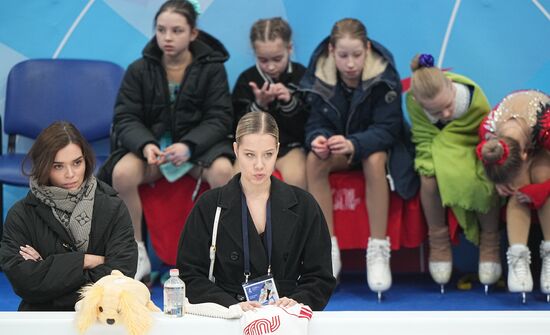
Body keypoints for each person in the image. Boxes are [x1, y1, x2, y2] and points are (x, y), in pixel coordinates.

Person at [98, 0, 234, 282]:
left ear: (193, 34)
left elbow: (220, 118)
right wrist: (145, 144)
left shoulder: (212, 69)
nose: (168, 38)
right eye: (161, 30)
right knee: (121, 173)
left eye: (176, 30)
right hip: (153, 154)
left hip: (197, 151)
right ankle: (135, 253)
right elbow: (125, 117)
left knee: (224, 172)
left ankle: (218, 254)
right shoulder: (139, 69)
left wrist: (189, 146)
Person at [300, 18, 418, 297]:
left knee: (375, 159)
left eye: (356, 55)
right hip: (338, 150)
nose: (350, 63)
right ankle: (325, 249)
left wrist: (353, 143)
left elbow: (388, 130)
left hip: (375, 149)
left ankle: (378, 249)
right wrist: (317, 138)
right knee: (314, 159)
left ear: (367, 48)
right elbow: (314, 122)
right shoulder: (319, 76)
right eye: (343, 56)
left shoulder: (385, 76)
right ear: (331, 51)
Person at [177, 111, 335, 311]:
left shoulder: (305, 205)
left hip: (284, 318)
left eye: (268, 154)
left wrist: (297, 301)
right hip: (228, 320)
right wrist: (230, 306)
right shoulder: (209, 205)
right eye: (249, 154)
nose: (259, 165)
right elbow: (189, 275)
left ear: (277, 150)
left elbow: (320, 277)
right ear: (236, 150)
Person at [0, 121, 137, 311]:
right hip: (43, 320)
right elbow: (25, 282)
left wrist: (47, 271)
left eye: (77, 163)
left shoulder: (113, 207)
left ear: (86, 160)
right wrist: (86, 261)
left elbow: (121, 275)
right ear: (43, 166)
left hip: (103, 316)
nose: (71, 174)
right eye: (58, 166)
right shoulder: (21, 215)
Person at [405, 54, 502, 293]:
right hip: (435, 151)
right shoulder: (412, 102)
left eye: (448, 106)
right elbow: (423, 139)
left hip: (471, 149)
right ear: (418, 102)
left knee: (484, 177)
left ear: (450, 86)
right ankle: (438, 242)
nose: (446, 114)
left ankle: (490, 242)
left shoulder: (471, 94)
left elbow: (484, 133)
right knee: (427, 178)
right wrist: (434, 161)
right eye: (437, 112)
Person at [477, 90, 550, 301]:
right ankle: (517, 257)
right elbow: (486, 158)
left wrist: (541, 190)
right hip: (521, 138)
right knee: (517, 187)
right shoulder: (488, 131)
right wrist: (500, 183)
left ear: (525, 154)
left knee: (542, 175)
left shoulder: (546, 127)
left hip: (543, 145)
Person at [232, 17, 309, 189]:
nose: (271, 67)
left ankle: (292, 217)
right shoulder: (247, 80)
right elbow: (235, 126)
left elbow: (307, 125)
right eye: (264, 60)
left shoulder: (302, 76)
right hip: (252, 148)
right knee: (237, 180)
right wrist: (259, 105)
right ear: (254, 53)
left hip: (290, 148)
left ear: (289, 48)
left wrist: (289, 101)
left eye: (277, 59)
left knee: (296, 179)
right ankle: (245, 217)